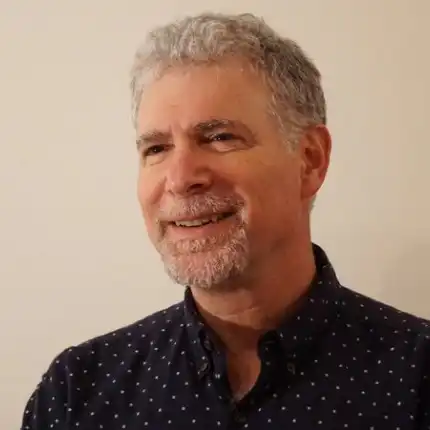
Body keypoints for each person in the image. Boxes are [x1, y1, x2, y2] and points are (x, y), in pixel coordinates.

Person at [21, 12, 430, 430]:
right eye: (156, 148)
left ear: (309, 160)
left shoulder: (418, 379)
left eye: (219, 137)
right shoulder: (76, 394)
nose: (180, 179)